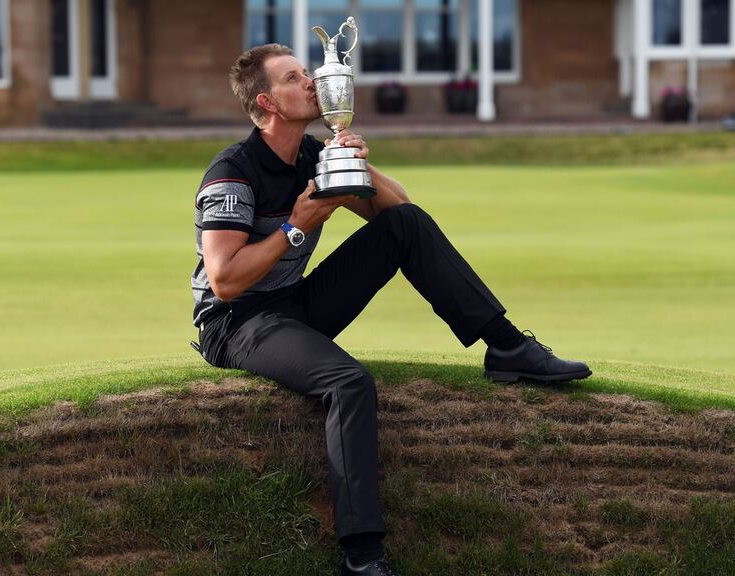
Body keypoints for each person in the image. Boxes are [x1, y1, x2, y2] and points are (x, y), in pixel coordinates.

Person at [191, 43, 591, 576]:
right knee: (348, 382)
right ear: (266, 102)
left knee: (406, 227)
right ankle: (361, 556)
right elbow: (225, 281)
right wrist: (297, 226)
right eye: (294, 78)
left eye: (307, 72)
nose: (311, 82)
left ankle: (508, 347)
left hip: (294, 304)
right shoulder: (232, 172)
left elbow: (402, 211)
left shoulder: (313, 156)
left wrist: (354, 162)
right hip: (237, 323)